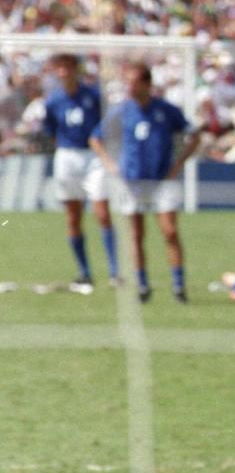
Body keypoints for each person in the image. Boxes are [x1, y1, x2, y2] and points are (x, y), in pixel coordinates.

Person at [90, 62, 201, 303]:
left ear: (147, 84)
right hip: (132, 181)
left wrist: (178, 164)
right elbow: (96, 139)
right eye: (128, 82)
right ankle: (142, 285)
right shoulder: (121, 110)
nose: (130, 86)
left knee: (170, 231)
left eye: (134, 81)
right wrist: (111, 164)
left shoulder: (166, 110)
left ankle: (179, 286)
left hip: (162, 180)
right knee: (136, 234)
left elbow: (194, 135)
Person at [42, 54, 119, 290]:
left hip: (93, 156)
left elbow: (107, 123)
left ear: (76, 69)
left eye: (67, 67)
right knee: (73, 217)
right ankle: (84, 272)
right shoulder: (53, 101)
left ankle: (115, 272)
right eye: (60, 68)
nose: (64, 72)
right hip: (67, 155)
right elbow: (51, 130)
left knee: (102, 213)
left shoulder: (93, 96)